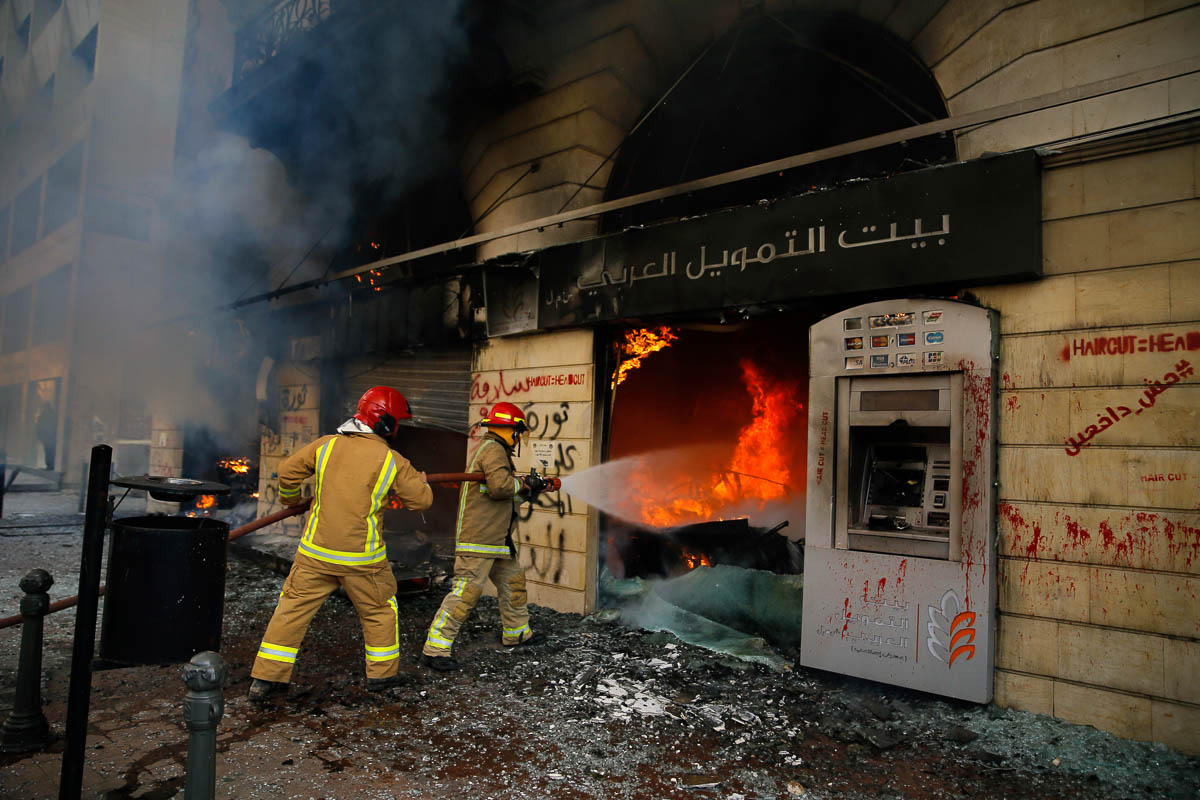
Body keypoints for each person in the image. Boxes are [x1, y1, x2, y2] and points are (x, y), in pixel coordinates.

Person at [249, 386, 433, 701]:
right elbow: (422, 501)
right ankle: (382, 676)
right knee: (379, 610)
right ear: (386, 423)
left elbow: (287, 472)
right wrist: (421, 481)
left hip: (314, 555)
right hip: (362, 561)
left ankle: (266, 680)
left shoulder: (325, 446)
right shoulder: (391, 460)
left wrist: (291, 500)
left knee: (291, 610)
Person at [421, 401, 549, 670]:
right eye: (517, 432)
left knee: (513, 583)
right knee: (465, 593)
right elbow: (501, 487)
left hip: (497, 540)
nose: (518, 438)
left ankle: (517, 635)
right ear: (508, 429)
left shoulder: (496, 451)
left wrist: (528, 490)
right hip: (479, 540)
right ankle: (435, 650)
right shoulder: (493, 450)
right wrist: (524, 482)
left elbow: (506, 495)